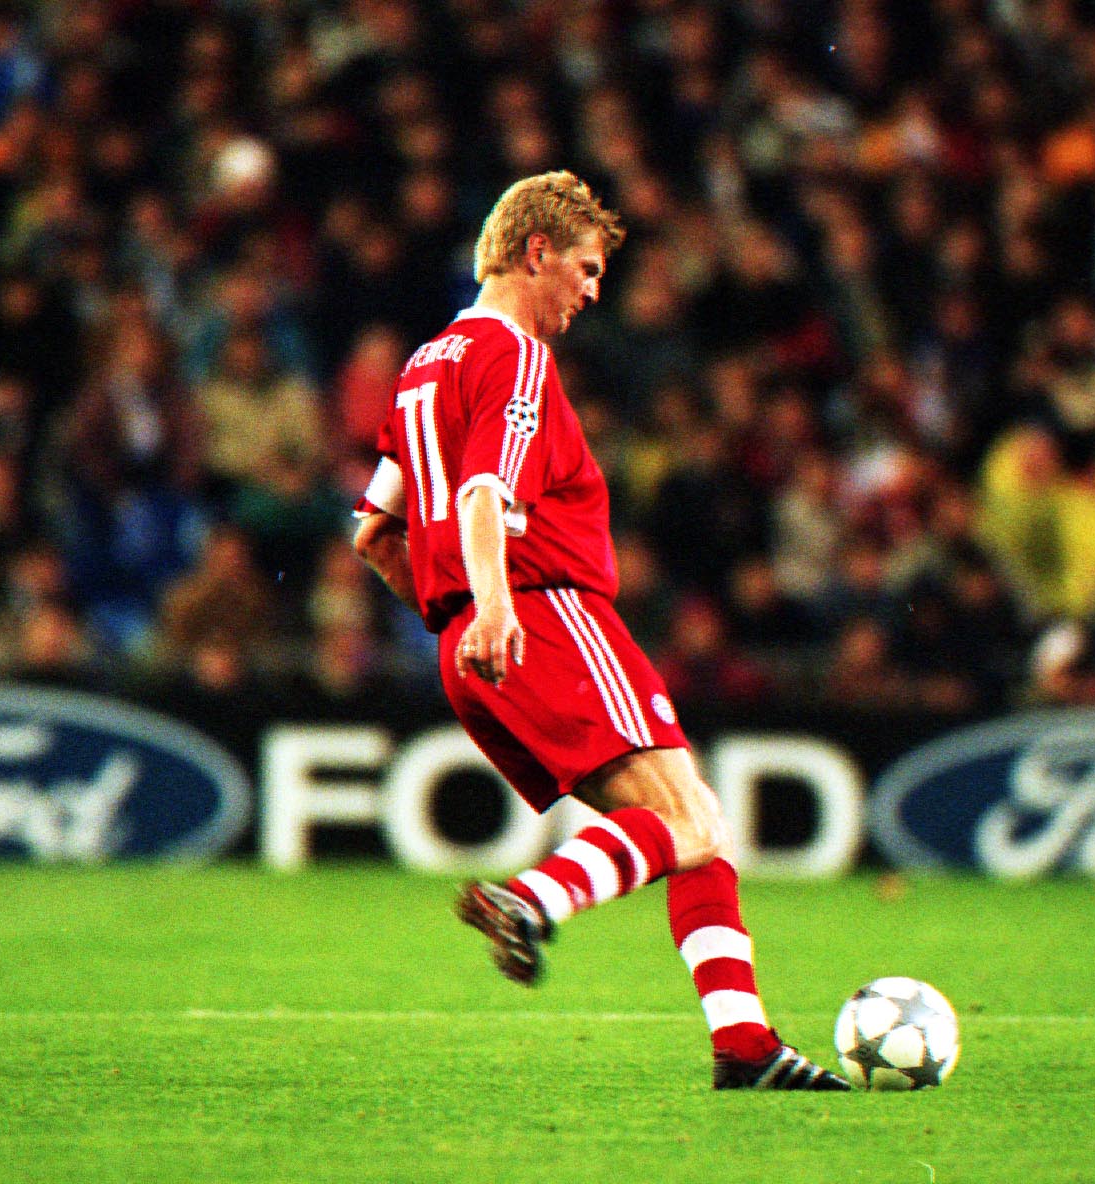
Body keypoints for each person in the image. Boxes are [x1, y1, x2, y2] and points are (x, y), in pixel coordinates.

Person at [353, 171, 847, 1092]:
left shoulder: (424, 365)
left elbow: (374, 532)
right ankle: (532, 900)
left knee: (692, 824)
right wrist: (497, 605)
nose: (592, 291)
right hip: (546, 614)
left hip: (476, 642)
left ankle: (743, 1043)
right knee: (686, 817)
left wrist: (455, 612)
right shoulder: (515, 357)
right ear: (534, 253)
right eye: (584, 268)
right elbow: (484, 493)